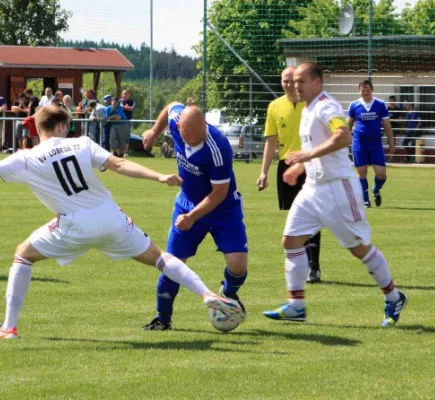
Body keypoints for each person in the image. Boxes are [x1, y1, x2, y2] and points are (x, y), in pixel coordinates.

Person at [0, 105, 244, 339]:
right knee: (159, 257)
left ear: (37, 129)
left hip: (73, 225)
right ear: (64, 126)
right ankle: (207, 295)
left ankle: (8, 327)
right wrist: (158, 177)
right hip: (111, 218)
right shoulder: (82, 143)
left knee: (23, 254)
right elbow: (121, 165)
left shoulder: (27, 157)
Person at [262, 63, 407, 327]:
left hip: (339, 188)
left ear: (318, 82)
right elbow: (317, 148)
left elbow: (343, 137)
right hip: (313, 188)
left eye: (301, 81)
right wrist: (299, 166)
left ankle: (394, 296)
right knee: (290, 241)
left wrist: (305, 156)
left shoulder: (326, 106)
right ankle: (296, 305)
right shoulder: (306, 109)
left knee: (359, 248)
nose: (295, 86)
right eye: (292, 82)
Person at [141, 104, 249, 331]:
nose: (193, 141)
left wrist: (191, 217)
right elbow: (170, 105)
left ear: (205, 127)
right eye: (188, 137)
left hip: (223, 208)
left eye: (199, 136)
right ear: (178, 127)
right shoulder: (176, 118)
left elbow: (218, 193)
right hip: (187, 201)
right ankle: (162, 319)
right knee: (174, 262)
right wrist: (154, 131)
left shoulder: (219, 147)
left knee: (238, 265)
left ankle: (228, 294)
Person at [257, 66, 323, 283]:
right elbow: (271, 141)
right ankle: (301, 265)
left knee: (312, 215)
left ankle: (314, 267)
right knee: (295, 217)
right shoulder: (274, 107)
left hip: (311, 165)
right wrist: (263, 172)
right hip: (286, 167)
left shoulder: (311, 104)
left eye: (291, 80)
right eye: (284, 80)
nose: (288, 84)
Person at [347, 80, 395, 208]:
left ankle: (376, 189)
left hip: (375, 144)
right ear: (359, 91)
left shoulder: (380, 104)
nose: (365, 92)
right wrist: (343, 141)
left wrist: (391, 143)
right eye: (362, 89)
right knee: (361, 172)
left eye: (367, 89)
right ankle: (365, 200)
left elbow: (387, 125)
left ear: (372, 89)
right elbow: (348, 125)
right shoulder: (354, 105)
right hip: (359, 143)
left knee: (381, 173)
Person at [119, 90, 136, 156]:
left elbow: (131, 108)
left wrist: (123, 107)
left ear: (129, 95)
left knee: (126, 137)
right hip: (118, 121)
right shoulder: (119, 101)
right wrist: (124, 107)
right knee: (118, 137)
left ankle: (125, 152)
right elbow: (116, 107)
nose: (124, 95)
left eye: (126, 94)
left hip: (127, 121)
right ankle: (119, 152)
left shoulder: (132, 102)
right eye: (123, 94)